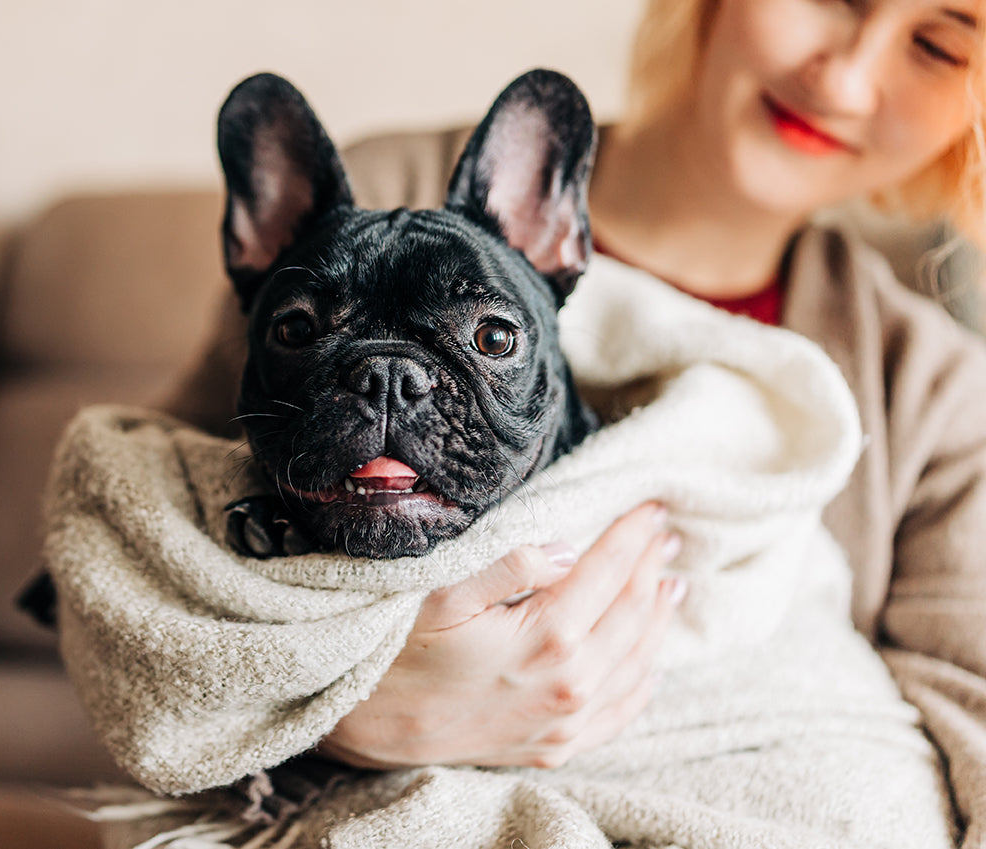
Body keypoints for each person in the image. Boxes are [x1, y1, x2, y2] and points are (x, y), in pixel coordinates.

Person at [166, 0, 986, 829]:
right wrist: (340, 715)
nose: (842, 79)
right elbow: (144, 538)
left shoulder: (936, 387)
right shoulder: (379, 192)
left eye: (938, 46)